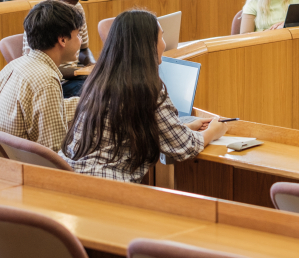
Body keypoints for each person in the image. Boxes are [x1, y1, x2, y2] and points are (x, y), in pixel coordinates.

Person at [60, 10, 227, 182]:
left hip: (70, 176)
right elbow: (185, 147)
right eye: (161, 37)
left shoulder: (98, 80)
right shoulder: (144, 89)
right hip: (105, 185)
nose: (163, 44)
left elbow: (131, 131)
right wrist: (214, 131)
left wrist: (186, 128)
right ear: (147, 45)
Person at [0, 0, 84, 152]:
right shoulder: (46, 80)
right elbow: (54, 153)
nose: (80, 41)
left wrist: (88, 103)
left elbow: (49, 110)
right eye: (78, 35)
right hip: (20, 167)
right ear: (62, 39)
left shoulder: (16, 64)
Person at [22, 0, 96, 98]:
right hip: (53, 82)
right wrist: (81, 72)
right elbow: (38, 66)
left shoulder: (78, 8)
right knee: (96, 95)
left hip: (76, 77)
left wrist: (93, 66)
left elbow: (84, 49)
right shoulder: (45, 14)